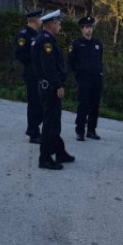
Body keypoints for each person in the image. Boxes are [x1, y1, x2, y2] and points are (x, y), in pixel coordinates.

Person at [31, 10, 75, 170]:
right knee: (51, 124)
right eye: (58, 23)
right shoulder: (46, 42)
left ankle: (60, 151)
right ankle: (45, 158)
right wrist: (58, 86)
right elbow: (49, 68)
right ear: (51, 25)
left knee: (54, 123)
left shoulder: (43, 38)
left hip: (47, 85)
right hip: (50, 87)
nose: (60, 26)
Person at [67, 15, 104, 141]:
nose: (89, 30)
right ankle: (80, 131)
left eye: (91, 27)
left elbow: (99, 60)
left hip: (96, 78)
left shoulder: (97, 43)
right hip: (84, 79)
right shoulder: (76, 44)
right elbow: (71, 62)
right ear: (82, 29)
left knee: (95, 105)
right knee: (83, 105)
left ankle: (91, 130)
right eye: (87, 27)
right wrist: (79, 73)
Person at [14, 9, 43, 144]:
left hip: (40, 73)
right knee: (34, 103)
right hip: (31, 73)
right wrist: (34, 60)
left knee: (41, 103)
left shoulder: (38, 34)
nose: (41, 21)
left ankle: (34, 128)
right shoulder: (24, 35)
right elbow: (19, 54)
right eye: (40, 18)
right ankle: (33, 133)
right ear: (34, 20)